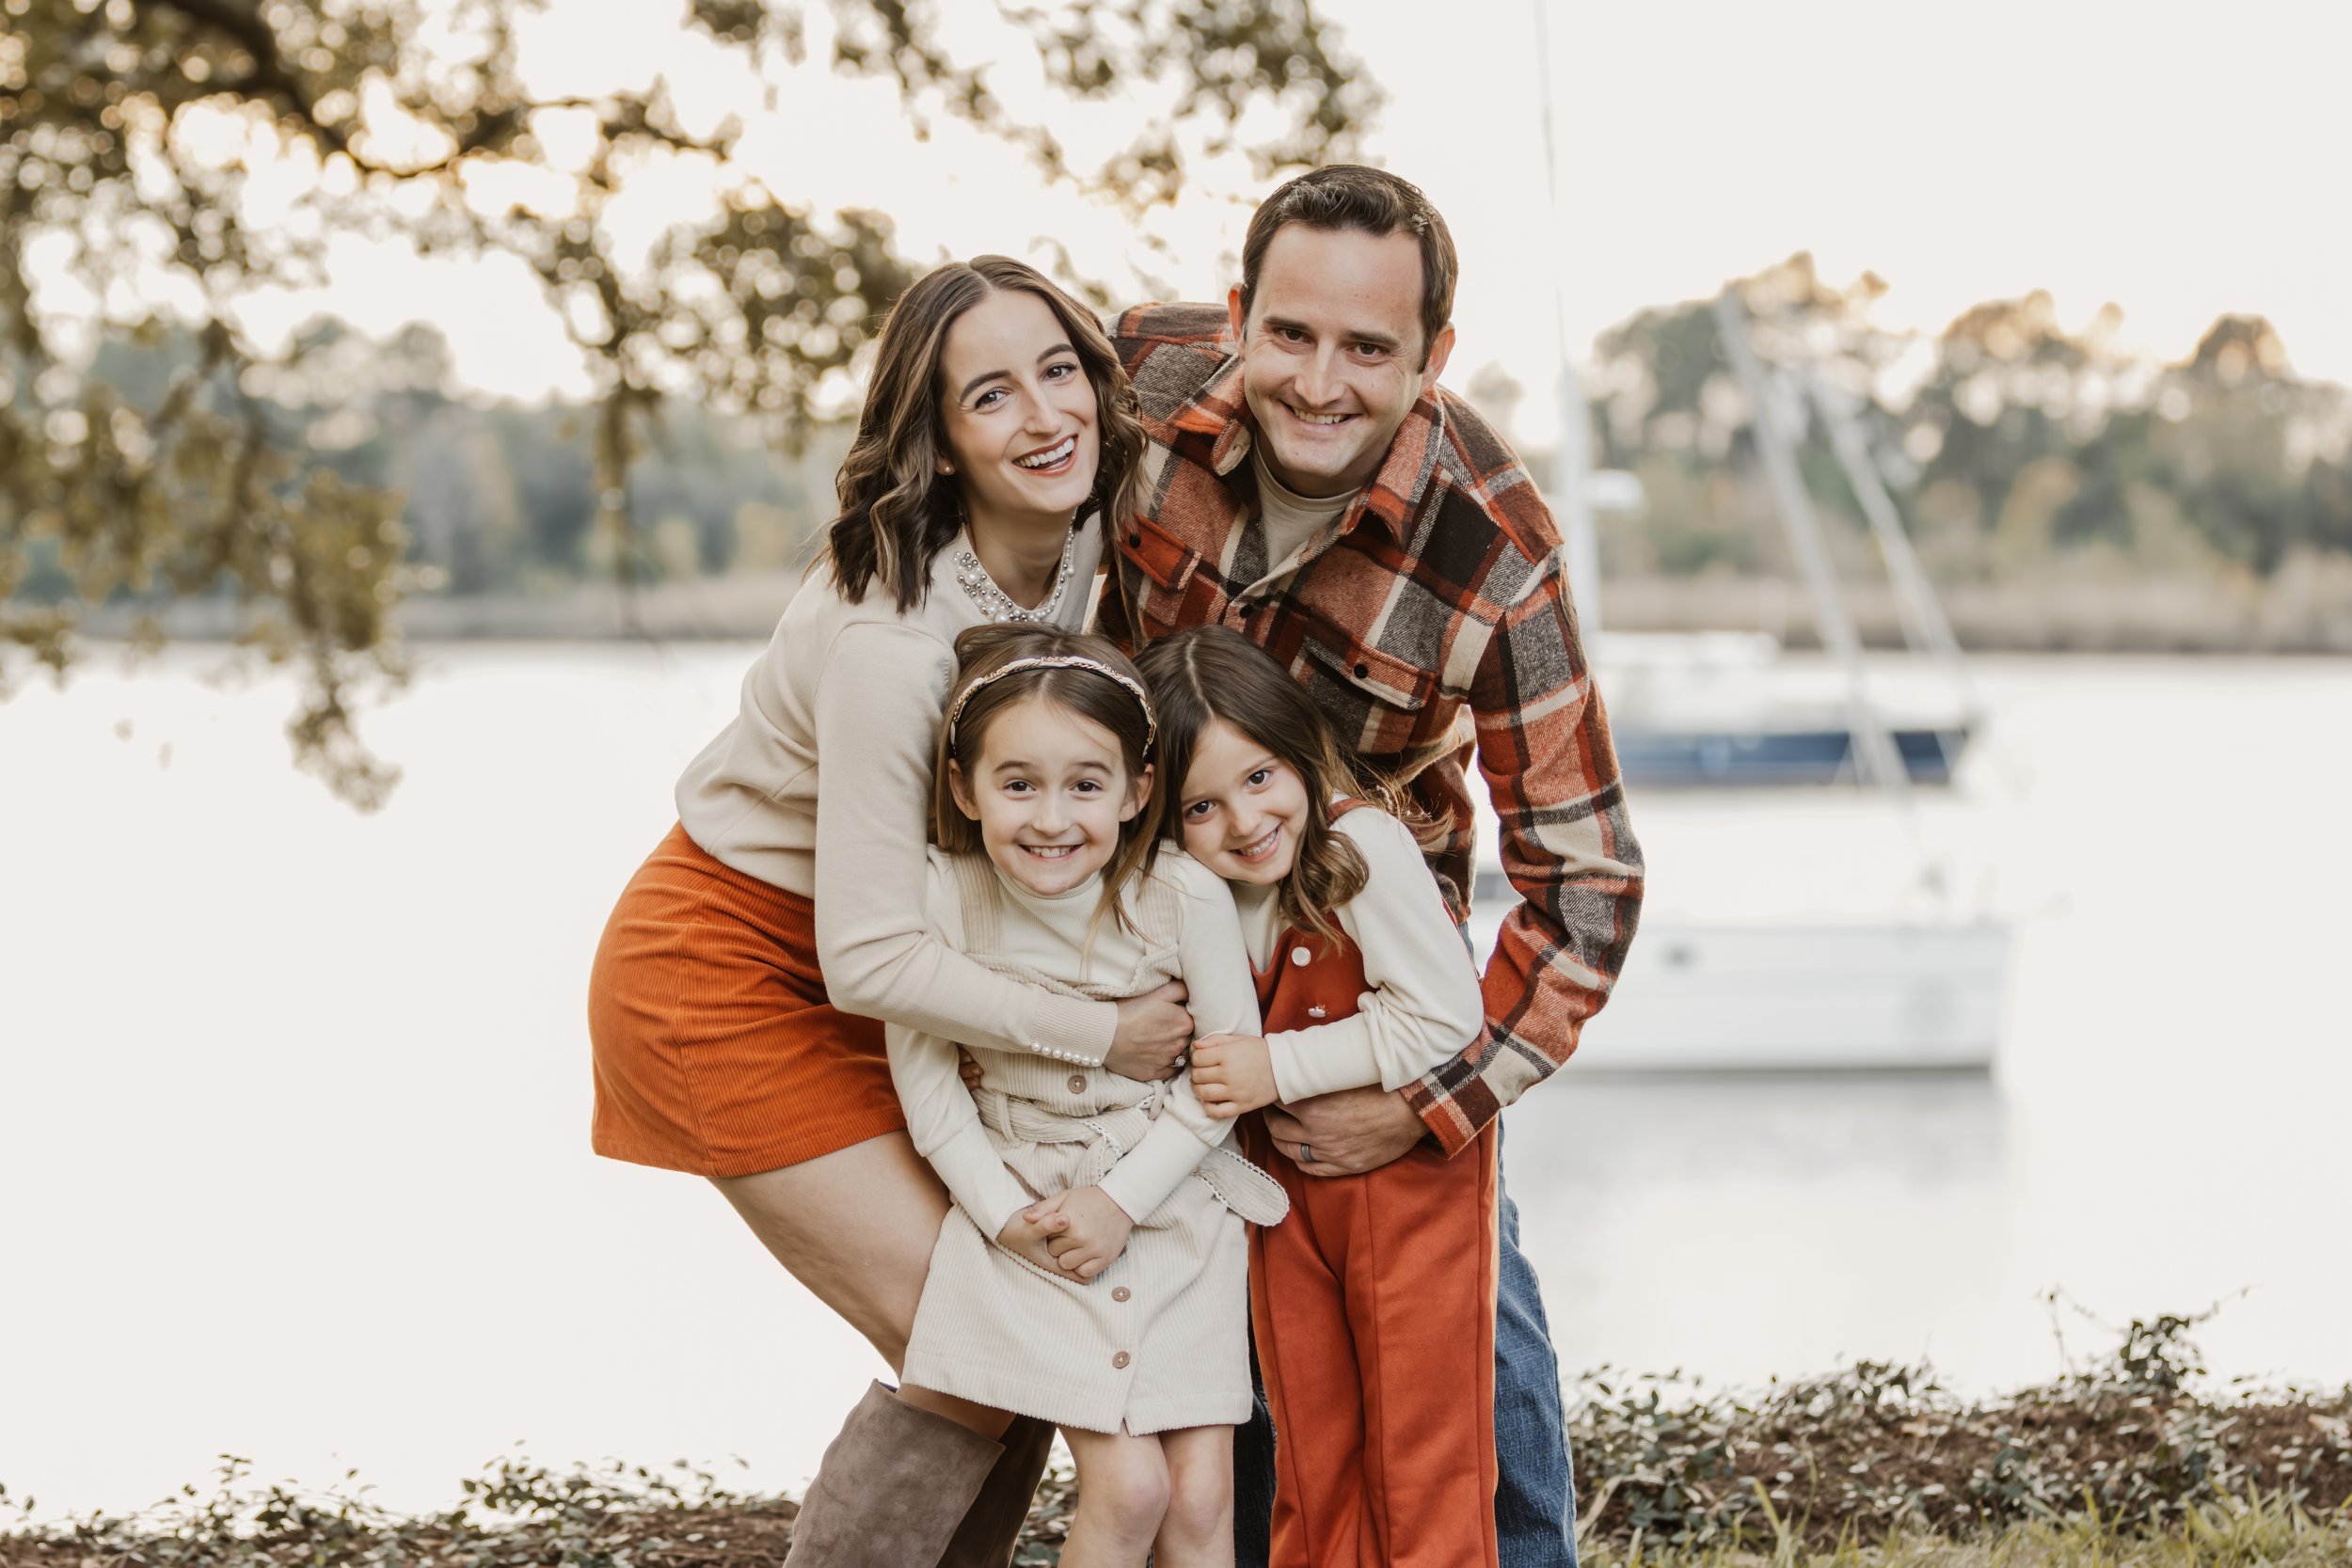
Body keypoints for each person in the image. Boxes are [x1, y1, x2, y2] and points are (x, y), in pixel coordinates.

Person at [586, 256, 1197, 1568]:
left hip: (920, 961)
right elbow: (862, 953)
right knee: (984, 1346)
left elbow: (1215, 371)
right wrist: (1101, 1031)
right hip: (728, 965)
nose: (1042, 415)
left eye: (1057, 370)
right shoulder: (897, 635)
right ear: (941, 440)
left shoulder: (1085, 516)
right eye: (991, 395)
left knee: (1015, 1347)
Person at [1098, 166, 1647, 1567]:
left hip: (1367, 975)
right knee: (1217, 1342)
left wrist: (1435, 1103)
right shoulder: (1131, 384)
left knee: (1463, 1344)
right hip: (1156, 938)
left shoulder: (1497, 554)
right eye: (1289, 333)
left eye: (1369, 348)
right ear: (1236, 317)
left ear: (1432, 358)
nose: (1320, 381)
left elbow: (1587, 880)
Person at [883, 624, 1286, 1568]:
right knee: (1131, 1486)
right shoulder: (943, 895)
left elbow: (1220, 1082)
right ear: (963, 788)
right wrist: (1003, 1213)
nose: (1051, 817)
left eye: (1086, 784)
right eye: (1017, 782)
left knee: (1199, 1499)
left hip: (1172, 1209)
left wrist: (1121, 1200)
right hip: (1032, 1219)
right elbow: (926, 1080)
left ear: (1138, 789)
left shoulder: (1180, 895)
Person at [1141, 625, 1497, 1568]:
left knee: (1424, 1458)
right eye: (1201, 805)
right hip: (1285, 1202)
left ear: (1297, 749)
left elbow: (1444, 1017)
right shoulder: (1204, 895)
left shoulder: (1360, 845)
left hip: (1407, 1199)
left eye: (1260, 777)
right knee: (1311, 1444)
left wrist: (1274, 1070)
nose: (1245, 820)